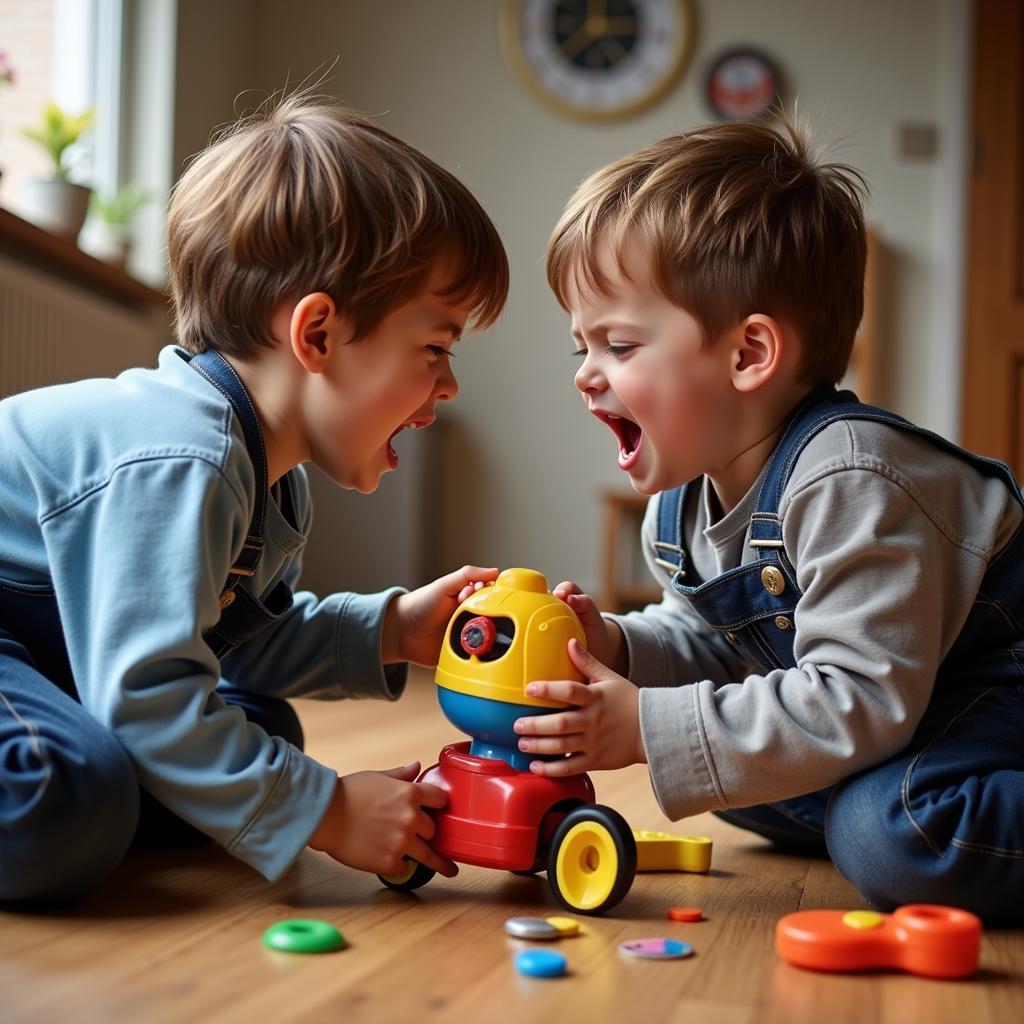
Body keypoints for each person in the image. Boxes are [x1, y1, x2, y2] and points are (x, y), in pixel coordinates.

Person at [0, 92, 509, 906]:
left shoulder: (266, 479)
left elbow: (228, 644)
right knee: (55, 800)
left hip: (52, 653)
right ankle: (98, 800)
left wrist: (389, 631)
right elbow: (146, 691)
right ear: (316, 335)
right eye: (436, 348)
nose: (447, 385)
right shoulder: (182, 459)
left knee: (266, 729)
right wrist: (325, 807)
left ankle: (122, 789)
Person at [516, 117, 1024, 924]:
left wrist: (648, 726)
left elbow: (858, 695)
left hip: (996, 691)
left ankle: (885, 813)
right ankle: (870, 801)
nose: (586, 375)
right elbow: (709, 646)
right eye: (581, 346)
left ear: (749, 354)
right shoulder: (679, 503)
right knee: (739, 794)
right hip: (912, 709)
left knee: (889, 833)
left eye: (617, 345)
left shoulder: (849, 476)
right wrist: (615, 646)